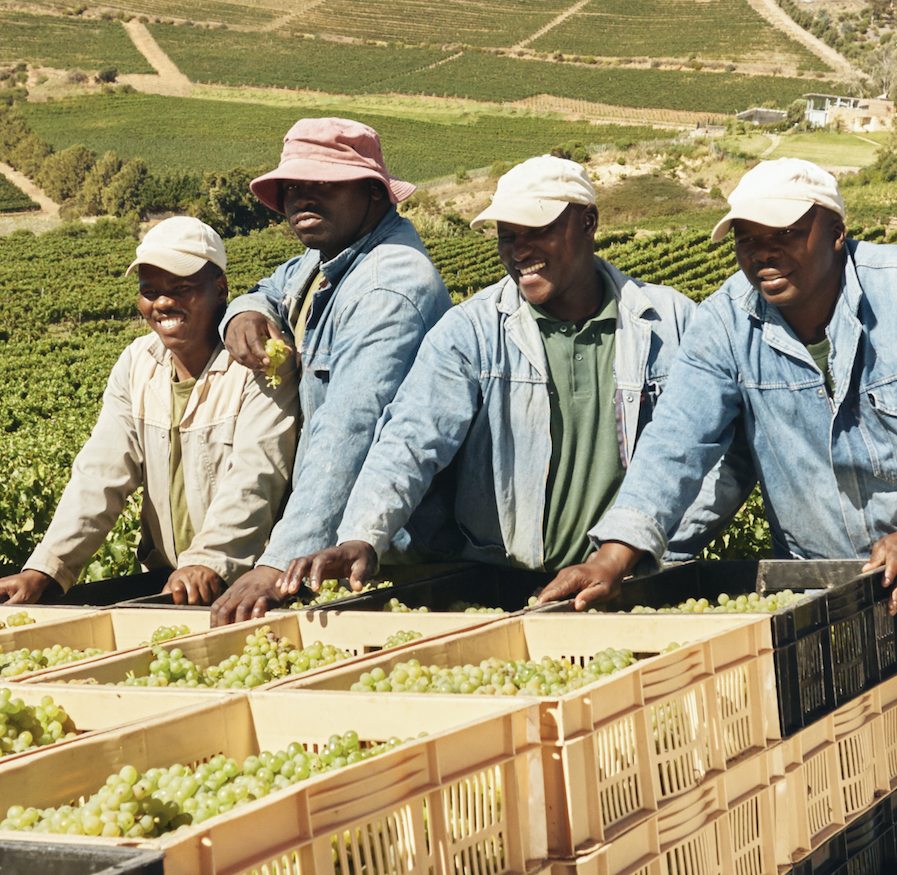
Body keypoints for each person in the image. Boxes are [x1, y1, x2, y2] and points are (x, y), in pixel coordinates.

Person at [535, 160, 897, 834]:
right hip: (833, 612)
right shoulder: (726, 325)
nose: (762, 253)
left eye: (784, 233)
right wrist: (614, 554)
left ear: (835, 232)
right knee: (853, 814)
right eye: (747, 237)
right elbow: (677, 443)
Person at [287, 155, 741, 588]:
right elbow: (411, 439)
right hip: (504, 585)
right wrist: (363, 534)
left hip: (631, 582)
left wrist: (649, 544)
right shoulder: (472, 331)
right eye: (507, 234)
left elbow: (719, 448)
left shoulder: (670, 321)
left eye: (537, 230)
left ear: (587, 222)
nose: (520, 249)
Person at [0, 216, 297, 609]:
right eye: (150, 291)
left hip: (255, 587)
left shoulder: (259, 362)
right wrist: (47, 568)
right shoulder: (137, 363)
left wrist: (208, 561)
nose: (162, 302)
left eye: (181, 288)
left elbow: (257, 473)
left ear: (219, 288)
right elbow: (100, 472)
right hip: (173, 583)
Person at [208, 118, 451, 622]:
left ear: (374, 195)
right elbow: (271, 286)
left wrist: (280, 562)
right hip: (330, 545)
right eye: (294, 186)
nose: (302, 198)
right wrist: (245, 312)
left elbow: (350, 430)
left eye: (324, 184)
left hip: (389, 555)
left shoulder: (387, 289)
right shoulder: (326, 259)